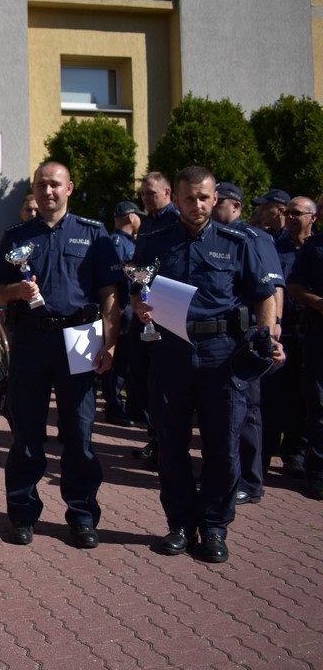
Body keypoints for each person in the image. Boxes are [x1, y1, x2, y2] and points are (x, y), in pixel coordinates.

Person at [133, 167, 281, 563]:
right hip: (171, 351)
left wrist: (268, 341)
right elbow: (137, 289)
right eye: (188, 198)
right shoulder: (154, 242)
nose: (196, 204)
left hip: (222, 354)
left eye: (203, 197)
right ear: (175, 199)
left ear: (215, 199)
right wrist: (140, 308)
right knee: (171, 444)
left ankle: (215, 527)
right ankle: (180, 524)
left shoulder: (238, 242)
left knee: (222, 446)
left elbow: (264, 295)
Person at [0, 161, 120, 549]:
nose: (48, 192)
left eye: (55, 185)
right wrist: (16, 293)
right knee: (26, 433)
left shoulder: (93, 234)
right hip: (30, 338)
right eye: (42, 185)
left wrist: (110, 342)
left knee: (79, 434)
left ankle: (81, 517)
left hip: (80, 336)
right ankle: (23, 515)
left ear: (69, 189)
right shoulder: (16, 236)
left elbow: (110, 293)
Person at [211, 182, 285, 506]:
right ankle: (232, 474)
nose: (212, 208)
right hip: (224, 337)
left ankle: (252, 482)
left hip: (249, 336)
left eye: (218, 203)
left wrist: (271, 333)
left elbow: (272, 289)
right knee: (229, 412)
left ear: (235, 207)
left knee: (249, 411)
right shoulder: (216, 239)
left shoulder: (253, 238)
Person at [130, 171, 181, 467]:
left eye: (152, 192)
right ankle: (155, 437)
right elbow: (141, 265)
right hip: (145, 308)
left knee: (167, 379)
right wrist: (136, 296)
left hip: (170, 307)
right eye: (143, 193)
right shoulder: (147, 223)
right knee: (145, 376)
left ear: (168, 192)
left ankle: (169, 442)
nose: (147, 197)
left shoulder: (177, 221)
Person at [266, 197, 318, 480]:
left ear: (312, 218)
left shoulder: (315, 247)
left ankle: (295, 453)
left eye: (297, 213)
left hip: (308, 330)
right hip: (282, 331)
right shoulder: (275, 248)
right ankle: (268, 449)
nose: (290, 217)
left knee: (304, 398)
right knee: (277, 395)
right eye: (288, 213)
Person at [288, 219, 323, 501]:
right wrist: (318, 302)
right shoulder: (314, 248)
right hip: (318, 332)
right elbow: (295, 285)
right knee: (318, 404)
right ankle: (318, 473)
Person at [102, 200, 143, 427]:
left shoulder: (122, 241)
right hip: (121, 307)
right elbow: (119, 277)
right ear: (130, 217)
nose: (140, 221)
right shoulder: (119, 243)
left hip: (125, 306)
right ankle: (114, 406)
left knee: (124, 359)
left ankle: (118, 403)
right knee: (118, 360)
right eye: (139, 216)